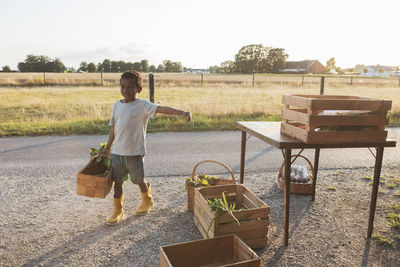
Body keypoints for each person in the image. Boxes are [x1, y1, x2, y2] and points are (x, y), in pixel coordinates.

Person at [99, 70, 191, 225]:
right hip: (117, 153)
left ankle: (147, 199)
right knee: (117, 181)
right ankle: (118, 210)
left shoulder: (143, 105)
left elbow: (162, 109)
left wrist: (183, 112)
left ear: (139, 89)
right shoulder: (117, 105)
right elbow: (113, 128)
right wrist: (108, 147)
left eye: (130, 87)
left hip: (134, 152)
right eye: (122, 87)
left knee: (138, 180)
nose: (125, 91)